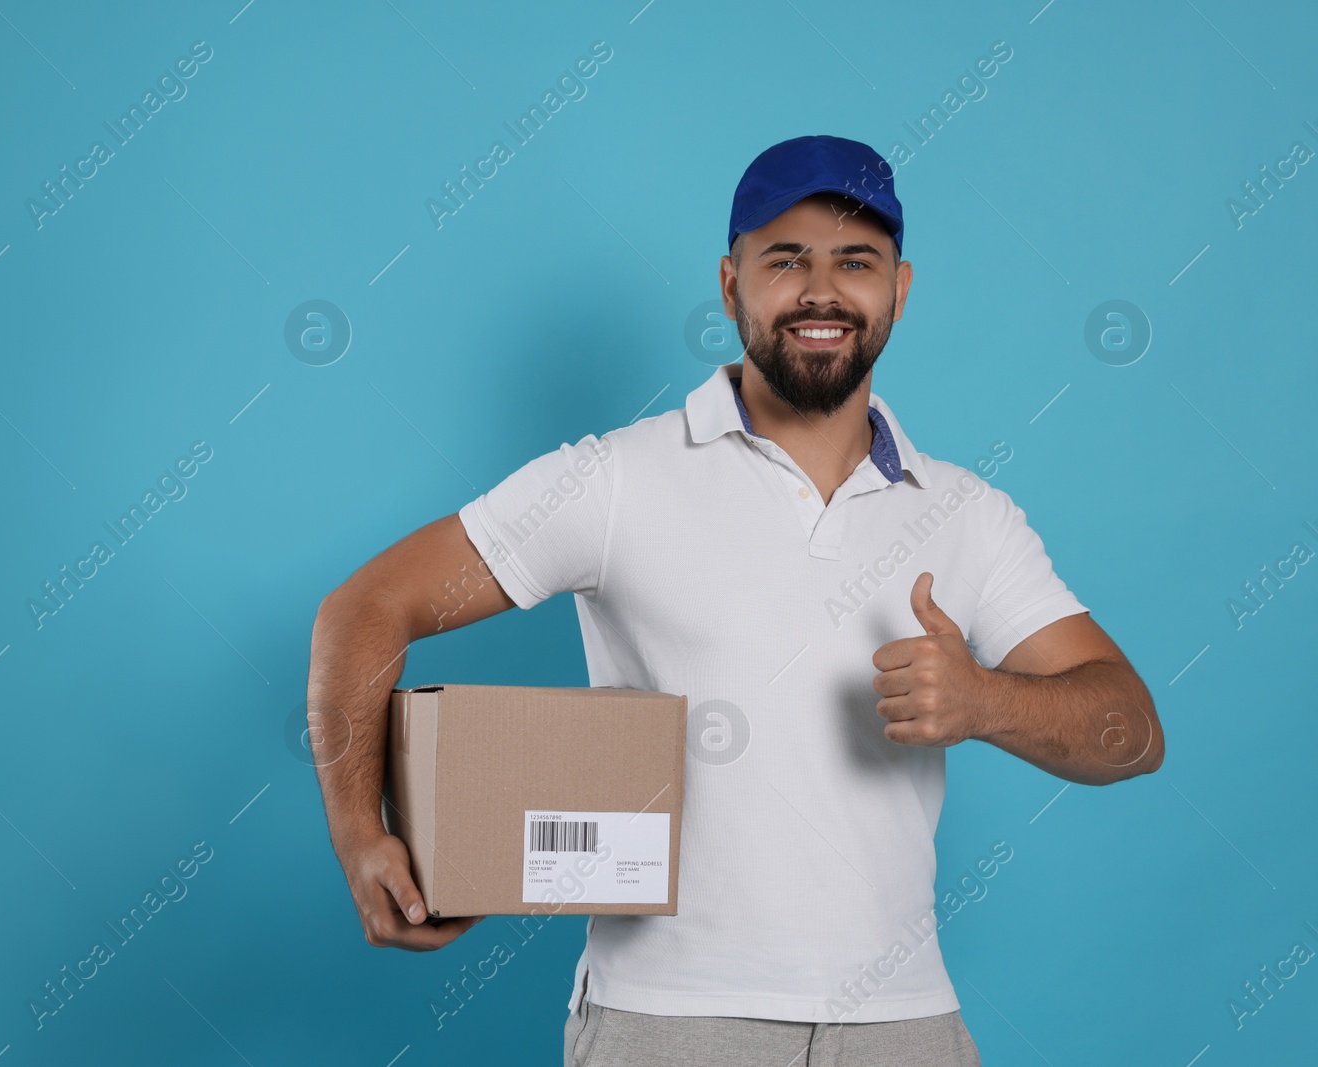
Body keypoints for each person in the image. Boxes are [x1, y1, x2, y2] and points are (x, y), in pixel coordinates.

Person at [307, 134, 1163, 1066]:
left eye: (856, 261)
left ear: (901, 290)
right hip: (668, 1021)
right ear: (730, 284)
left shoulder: (965, 513)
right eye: (785, 259)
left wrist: (986, 700)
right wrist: (361, 834)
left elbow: (1132, 731)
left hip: (903, 1026)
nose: (821, 290)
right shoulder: (615, 480)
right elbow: (366, 608)